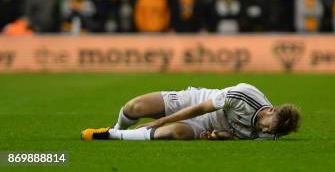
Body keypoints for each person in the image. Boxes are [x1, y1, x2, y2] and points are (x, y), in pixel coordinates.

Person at [81, 83, 301, 141]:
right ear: (271, 109)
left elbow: (238, 136)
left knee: (173, 132)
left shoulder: (272, 134)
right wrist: (162, 119)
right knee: (134, 108)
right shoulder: (244, 94)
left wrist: (223, 137)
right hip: (197, 100)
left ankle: (110, 135)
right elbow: (200, 108)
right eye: (266, 124)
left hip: (207, 126)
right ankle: (119, 127)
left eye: (268, 130)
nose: (263, 129)